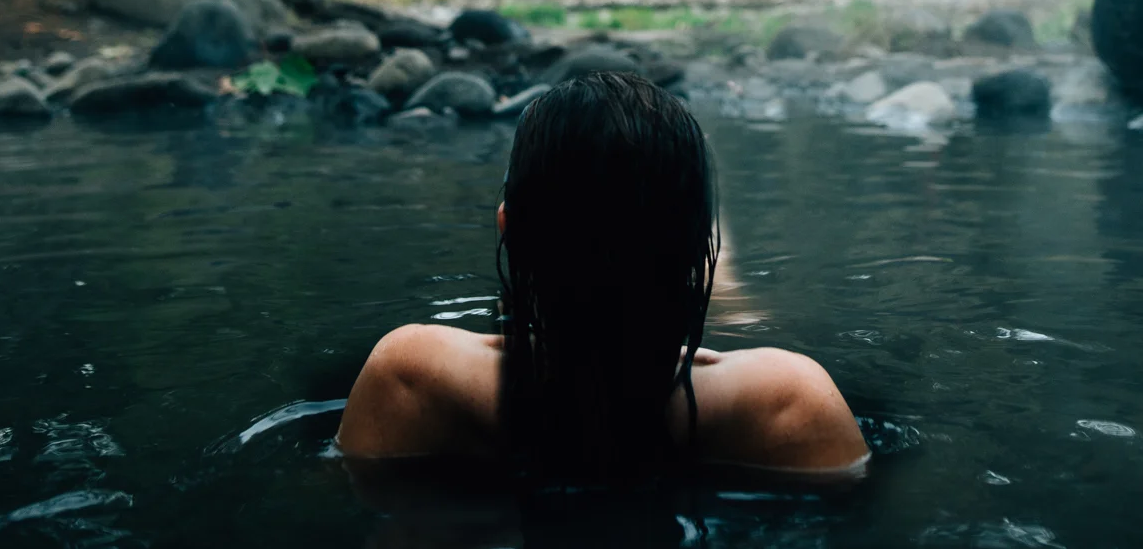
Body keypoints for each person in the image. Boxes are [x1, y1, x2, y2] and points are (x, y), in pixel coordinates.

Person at [337, 71, 868, 480]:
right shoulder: (787, 401)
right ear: (694, 248)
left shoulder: (410, 377)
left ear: (508, 226)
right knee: (738, 305)